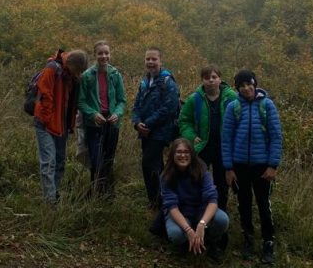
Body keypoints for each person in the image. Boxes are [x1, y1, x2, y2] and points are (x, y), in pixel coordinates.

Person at [222, 69, 282, 264]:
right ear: (237, 88)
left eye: (249, 84)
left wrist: (272, 165)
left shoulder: (267, 105)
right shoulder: (233, 107)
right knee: (244, 203)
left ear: (255, 84)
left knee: (264, 204)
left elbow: (276, 137)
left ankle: (268, 242)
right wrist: (228, 168)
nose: (246, 88)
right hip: (239, 166)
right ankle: (248, 239)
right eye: (242, 85)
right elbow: (226, 138)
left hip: (262, 166)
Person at [177, 65, 238, 250]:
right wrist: (191, 136)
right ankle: (197, 218)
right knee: (197, 181)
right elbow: (184, 120)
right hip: (202, 148)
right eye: (206, 77)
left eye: (214, 77)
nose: (210, 80)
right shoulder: (195, 99)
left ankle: (219, 225)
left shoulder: (231, 98)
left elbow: (240, 120)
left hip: (223, 149)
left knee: (222, 185)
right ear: (202, 80)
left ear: (220, 78)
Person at [33, 48, 88, 204]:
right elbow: (45, 95)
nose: (78, 74)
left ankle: (54, 193)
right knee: (48, 162)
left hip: (61, 124)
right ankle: (50, 201)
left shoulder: (70, 75)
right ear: (71, 64)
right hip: (45, 124)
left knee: (59, 162)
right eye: (77, 70)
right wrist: (46, 120)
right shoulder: (52, 69)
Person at [160, 138, 229, 262]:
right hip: (180, 213)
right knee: (176, 234)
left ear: (192, 154)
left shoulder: (202, 170)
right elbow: (172, 206)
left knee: (222, 219)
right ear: (172, 155)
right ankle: (187, 243)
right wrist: (188, 230)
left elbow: (212, 200)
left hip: (201, 210)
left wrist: (202, 224)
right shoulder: (166, 175)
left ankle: (209, 241)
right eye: (179, 152)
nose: (183, 155)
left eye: (186, 152)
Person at [132, 46, 179, 209]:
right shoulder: (145, 82)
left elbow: (169, 108)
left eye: (154, 59)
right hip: (144, 131)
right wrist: (137, 123)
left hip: (160, 132)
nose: (150, 62)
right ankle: (161, 199)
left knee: (148, 163)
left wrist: (148, 124)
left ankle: (156, 201)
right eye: (148, 59)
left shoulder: (167, 81)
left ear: (160, 61)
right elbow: (137, 105)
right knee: (156, 165)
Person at [77, 40, 126, 199]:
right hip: (94, 124)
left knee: (109, 159)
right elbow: (81, 101)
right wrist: (93, 114)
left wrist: (117, 113)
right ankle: (95, 192)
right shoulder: (87, 76)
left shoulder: (115, 74)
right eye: (100, 53)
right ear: (95, 55)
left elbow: (121, 100)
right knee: (96, 160)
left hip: (112, 122)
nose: (104, 56)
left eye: (106, 53)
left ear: (110, 54)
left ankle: (107, 194)